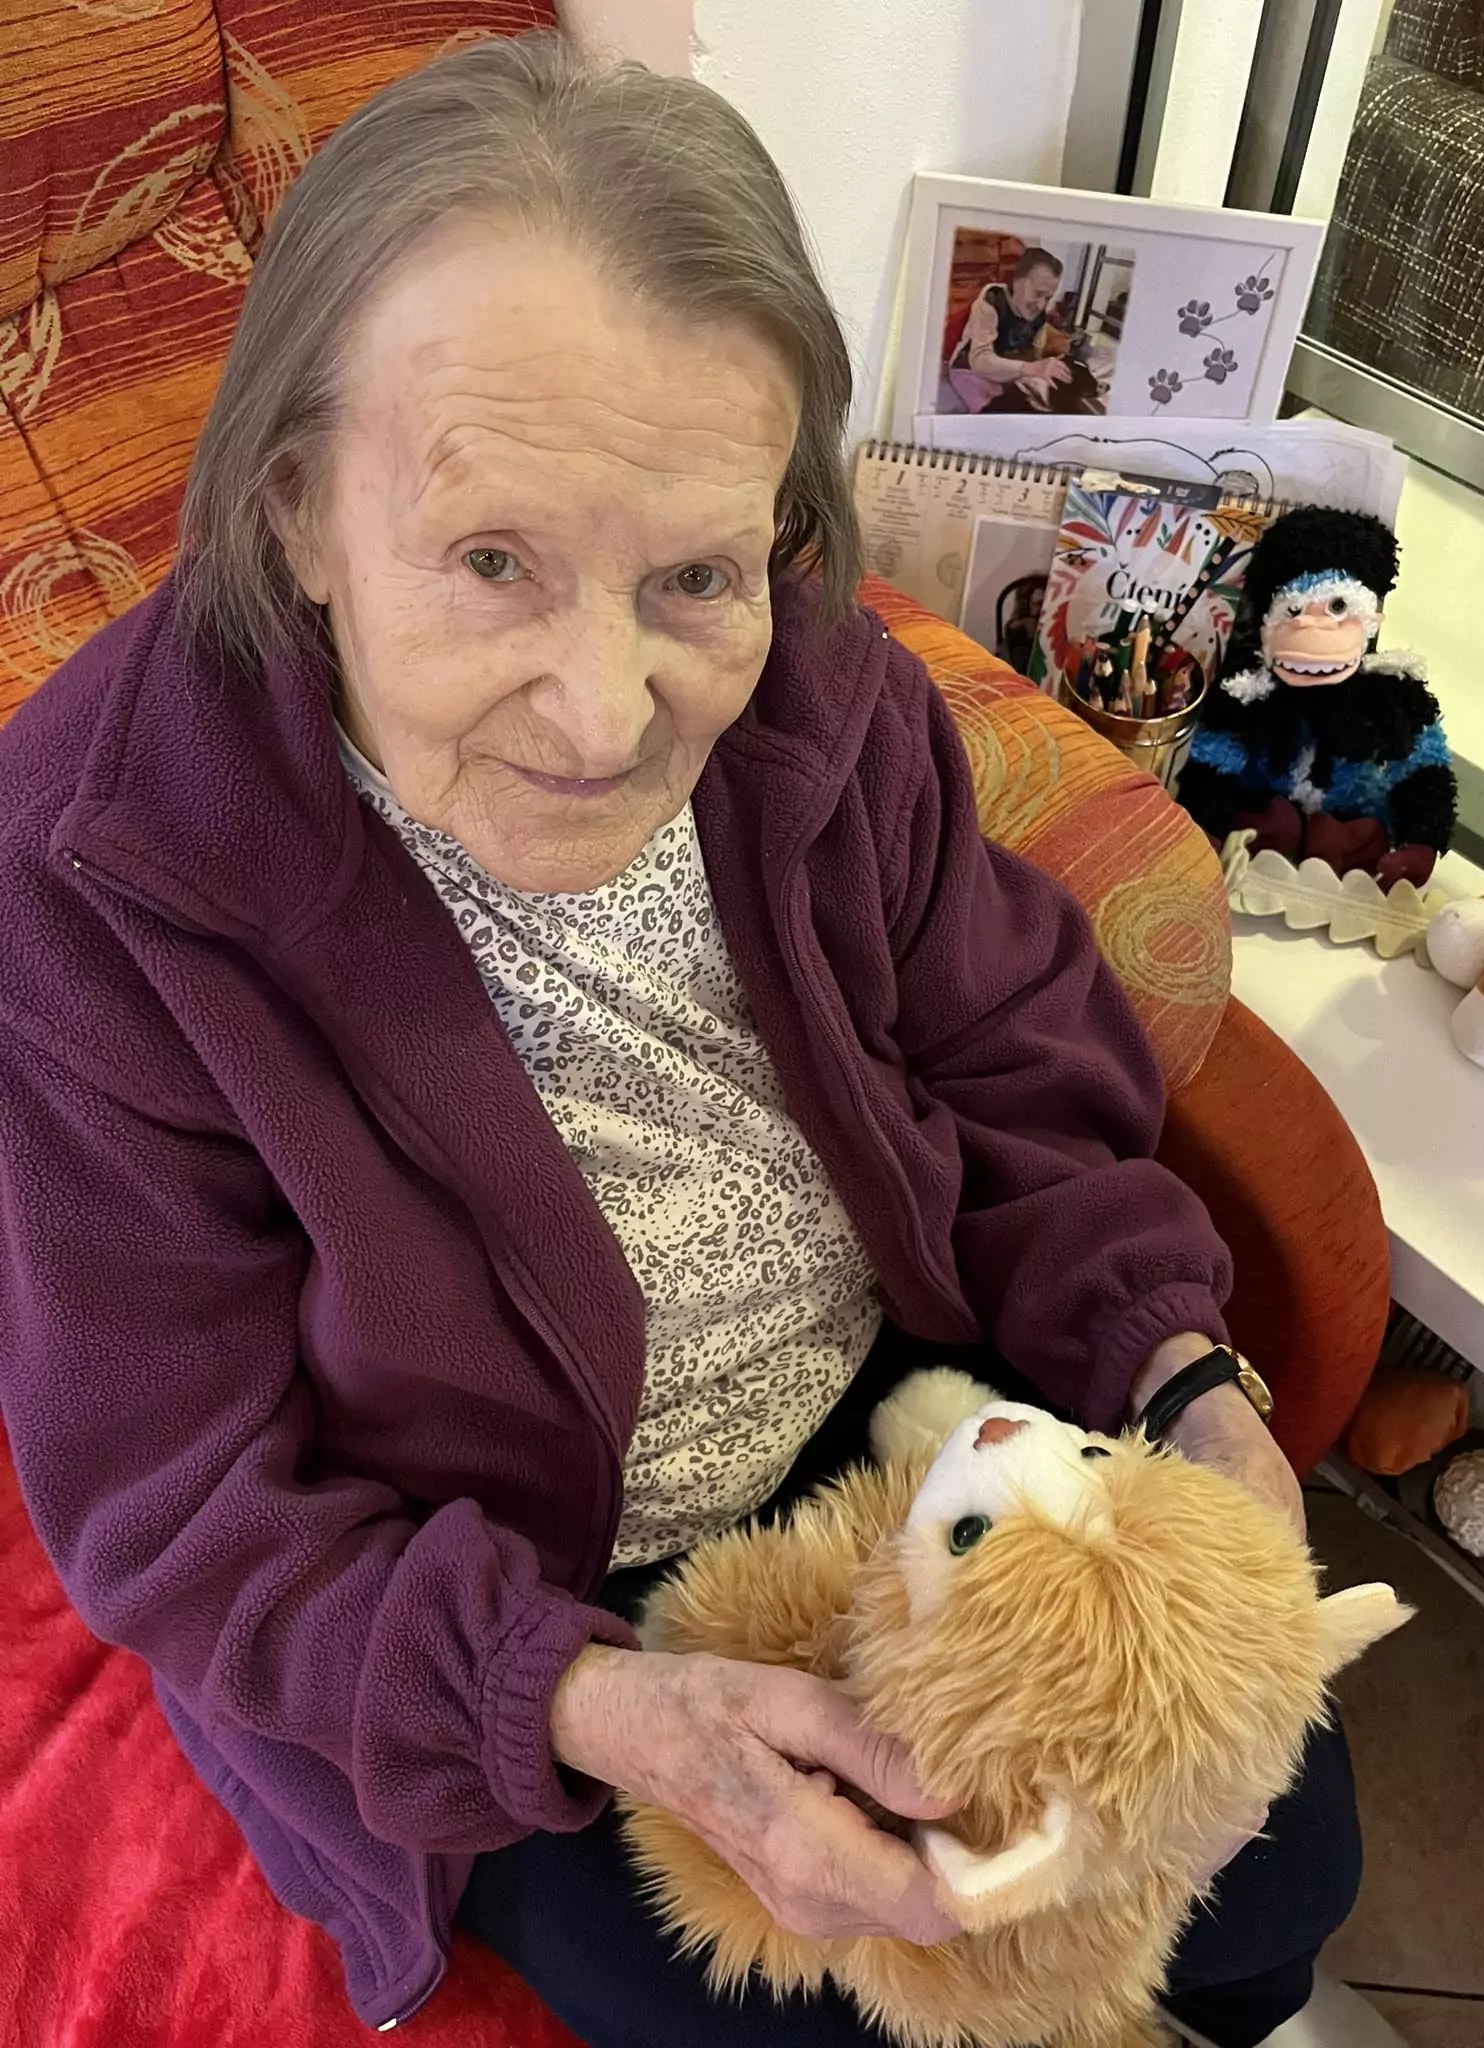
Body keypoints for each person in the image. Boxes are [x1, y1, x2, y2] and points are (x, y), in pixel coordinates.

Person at [0, 34, 1359, 2048]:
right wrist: (587, 1701)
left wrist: (1180, 1374)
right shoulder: (96, 871)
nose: (607, 710)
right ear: (294, 512)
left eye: (694, 577)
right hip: (498, 1592)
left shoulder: (821, 688)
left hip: (897, 1409)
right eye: (492, 562)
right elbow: (185, 1506)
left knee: (1276, 1871)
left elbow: (1017, 1066)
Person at [947, 247, 1074, 412]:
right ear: (1017, 283)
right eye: (1037, 294)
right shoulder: (989, 304)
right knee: (992, 409)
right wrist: (1031, 368)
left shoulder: (1040, 315)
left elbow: (1034, 353)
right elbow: (979, 360)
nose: (1042, 305)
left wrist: (1040, 368)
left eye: (1048, 297)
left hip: (1011, 373)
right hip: (972, 371)